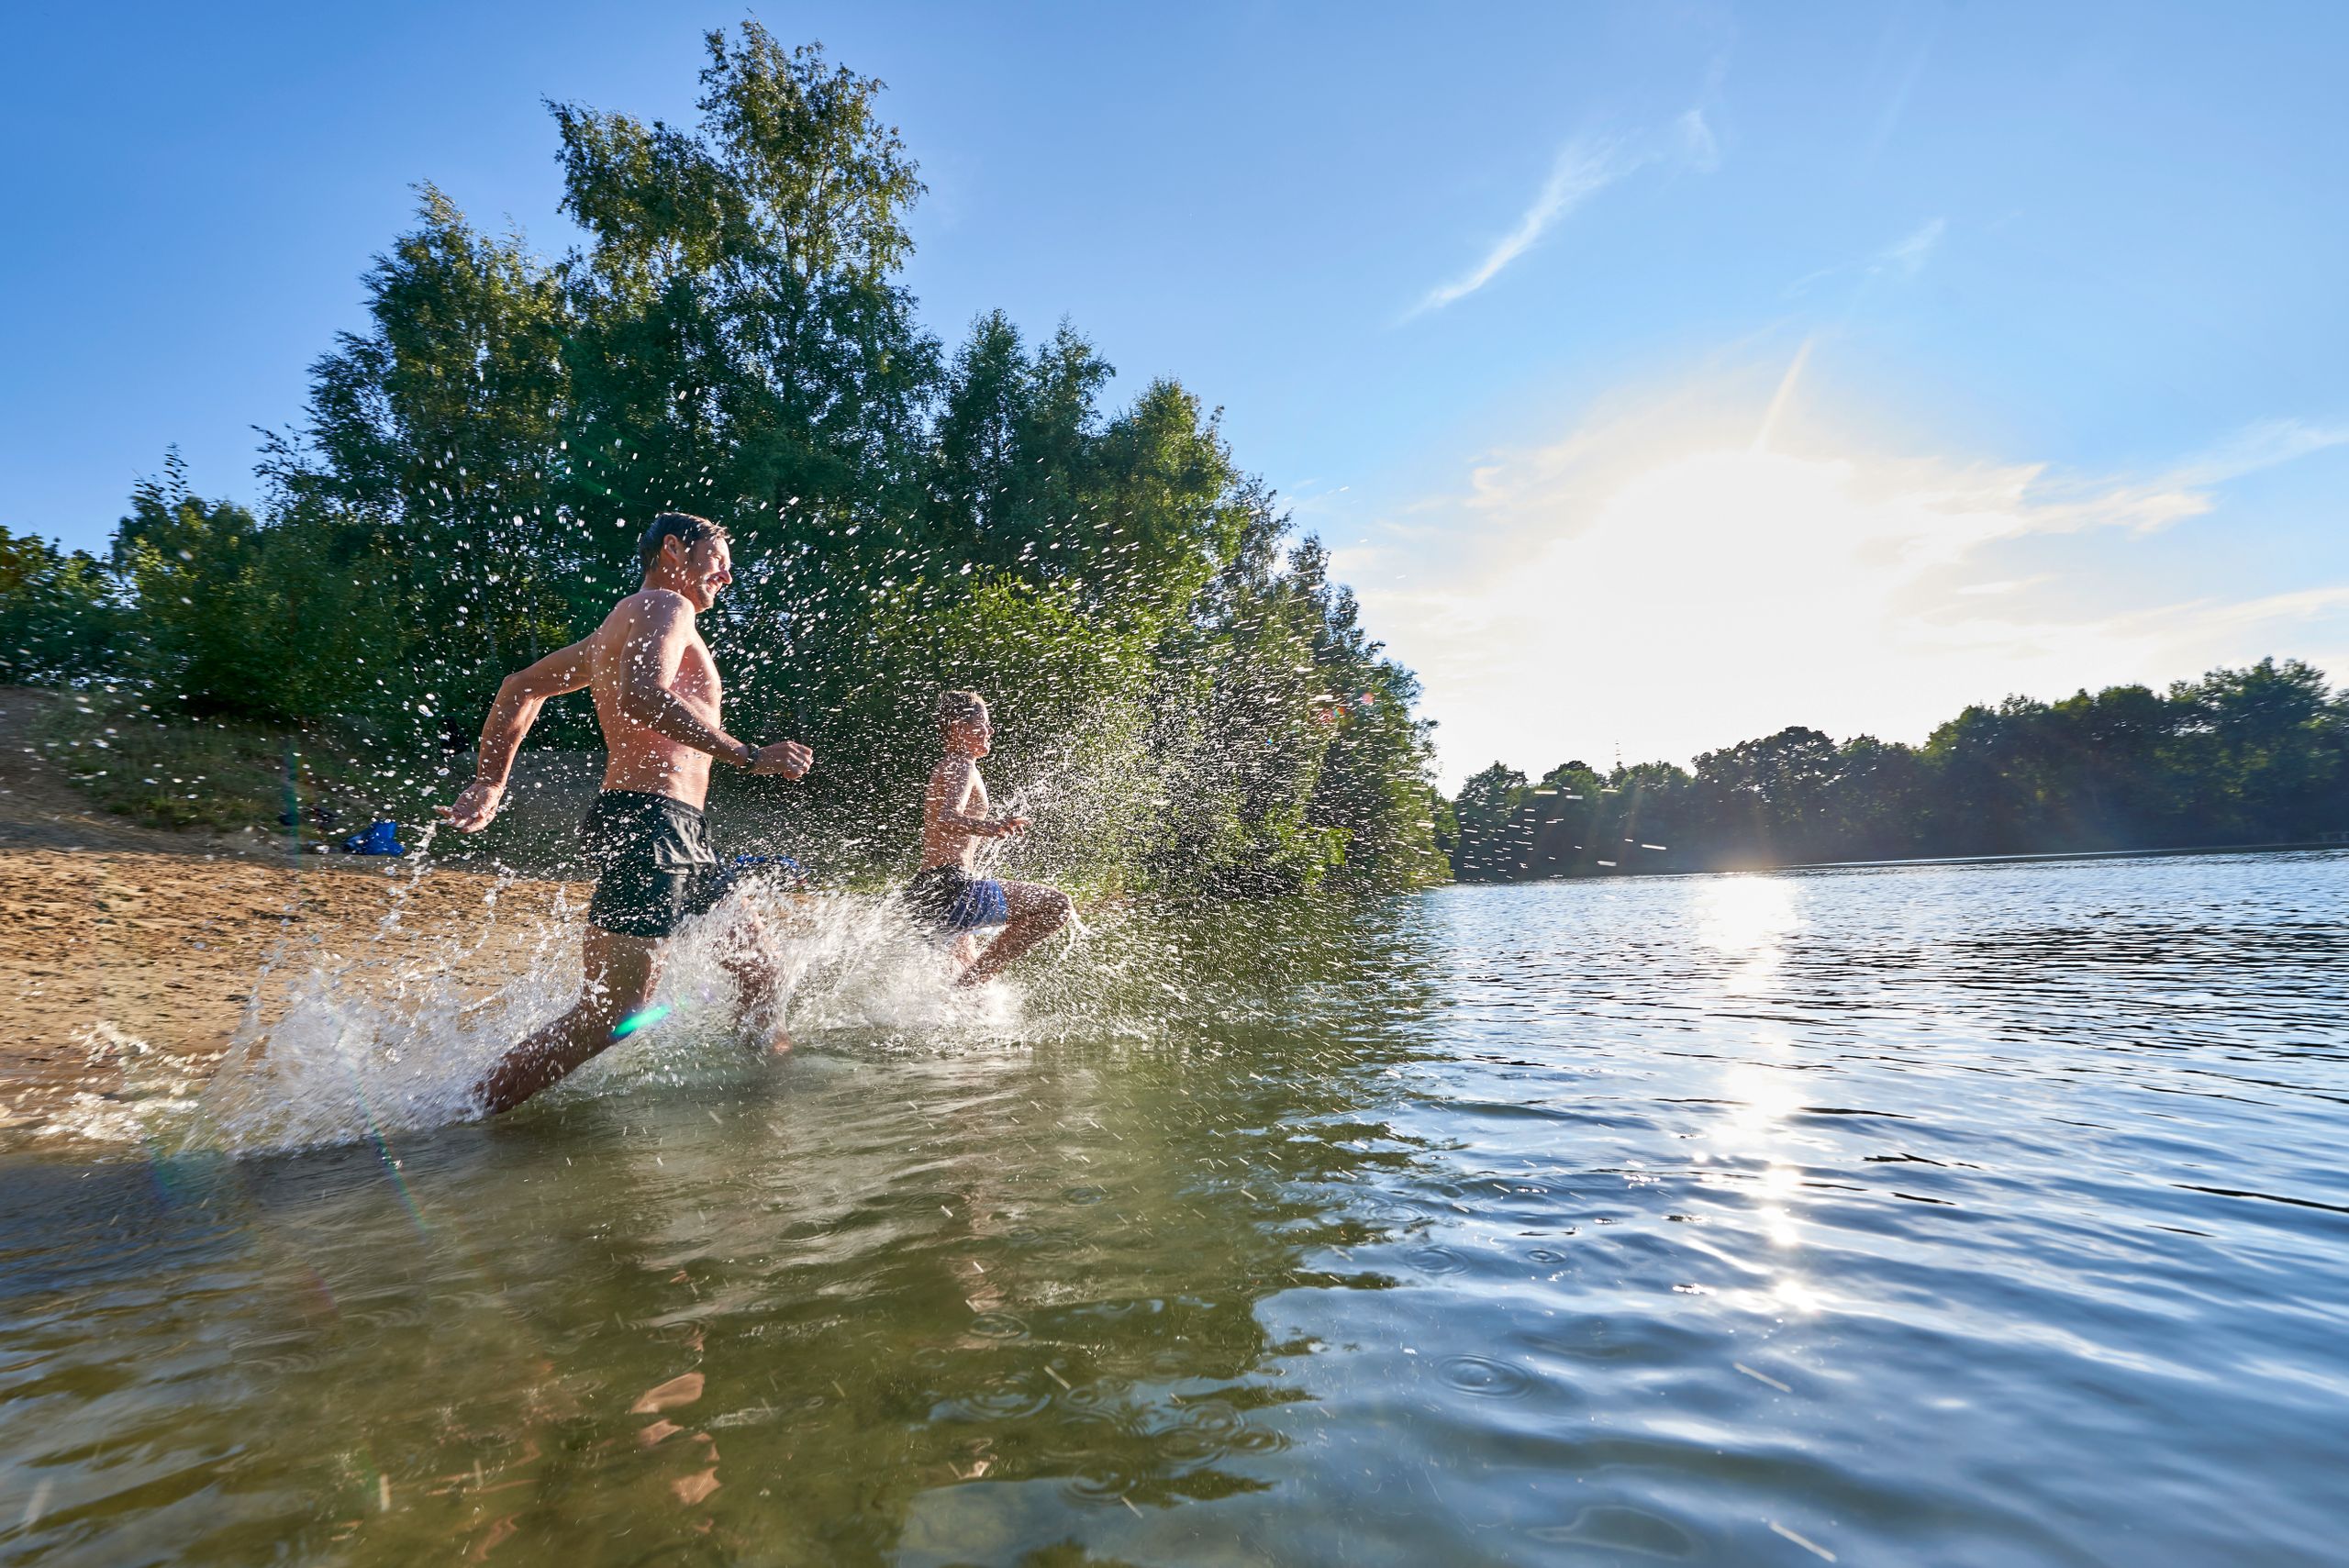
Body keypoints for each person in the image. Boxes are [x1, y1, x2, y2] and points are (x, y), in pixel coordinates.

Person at [440, 512, 814, 1114]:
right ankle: (461, 1116)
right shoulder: (665, 606)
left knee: (763, 972)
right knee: (615, 1014)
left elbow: (519, 686)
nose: (729, 573)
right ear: (673, 550)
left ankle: (762, 1107)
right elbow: (642, 694)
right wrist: (747, 753)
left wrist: (490, 781)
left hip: (679, 830)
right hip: (648, 822)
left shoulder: (624, 623)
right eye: (718, 558)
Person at [905, 690, 1072, 985]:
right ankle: (974, 981)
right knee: (1057, 906)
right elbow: (946, 817)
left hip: (927, 892)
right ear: (958, 727)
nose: (990, 730)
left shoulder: (950, 766)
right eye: (982, 724)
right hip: (950, 889)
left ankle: (966, 990)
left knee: (963, 999)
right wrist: (992, 827)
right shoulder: (960, 765)